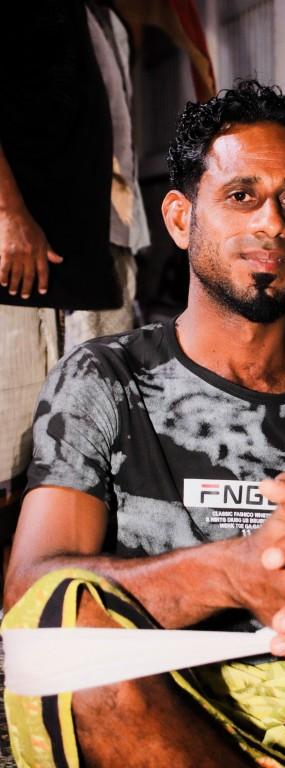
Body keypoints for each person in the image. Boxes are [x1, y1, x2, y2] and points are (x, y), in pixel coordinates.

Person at [3, 81, 285, 768]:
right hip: (165, 710)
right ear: (181, 219)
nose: (273, 224)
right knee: (63, 630)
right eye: (241, 195)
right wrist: (232, 574)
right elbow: (30, 590)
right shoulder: (105, 377)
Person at [0, 1, 148, 553]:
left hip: (98, 248)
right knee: (8, 456)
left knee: (85, 449)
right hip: (25, 256)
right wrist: (7, 214)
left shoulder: (106, 16)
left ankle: (54, 590)